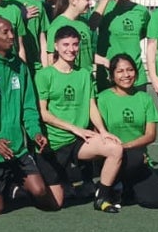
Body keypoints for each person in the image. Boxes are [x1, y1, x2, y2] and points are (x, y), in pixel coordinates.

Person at [0, 16, 54, 215]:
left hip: (18, 149)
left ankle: (14, 187)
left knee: (42, 194)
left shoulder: (20, 67)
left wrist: (35, 133)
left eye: (12, 31)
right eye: (5, 32)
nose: (11, 36)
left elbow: (29, 107)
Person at [36, 26, 122, 212]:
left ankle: (102, 197)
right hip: (54, 143)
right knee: (55, 203)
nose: (71, 49)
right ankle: (22, 187)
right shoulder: (44, 75)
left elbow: (91, 106)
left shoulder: (83, 74)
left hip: (78, 141)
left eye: (75, 44)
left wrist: (103, 131)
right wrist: (75, 128)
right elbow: (43, 113)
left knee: (115, 148)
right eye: (65, 44)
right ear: (56, 47)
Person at [96, 54, 158, 209]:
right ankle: (110, 184)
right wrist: (120, 149)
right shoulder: (103, 98)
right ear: (112, 75)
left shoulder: (144, 98)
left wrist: (128, 146)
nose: (126, 75)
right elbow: (99, 133)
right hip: (112, 158)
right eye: (120, 71)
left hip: (138, 160)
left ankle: (125, 189)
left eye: (130, 70)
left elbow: (151, 135)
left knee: (155, 200)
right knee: (135, 158)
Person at [92, 0, 148, 91]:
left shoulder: (141, 11)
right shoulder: (104, 8)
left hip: (135, 75)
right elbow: (91, 26)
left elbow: (144, 34)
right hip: (109, 74)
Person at [2, 0, 44, 69]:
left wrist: (46, 68)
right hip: (11, 66)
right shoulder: (1, 3)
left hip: (35, 66)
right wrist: (21, 17)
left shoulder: (36, 4)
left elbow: (42, 39)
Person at [44, 0, 94, 70]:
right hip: (72, 79)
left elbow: (88, 53)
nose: (90, 3)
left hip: (88, 78)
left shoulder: (84, 23)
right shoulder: (57, 25)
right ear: (73, 1)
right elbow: (51, 59)